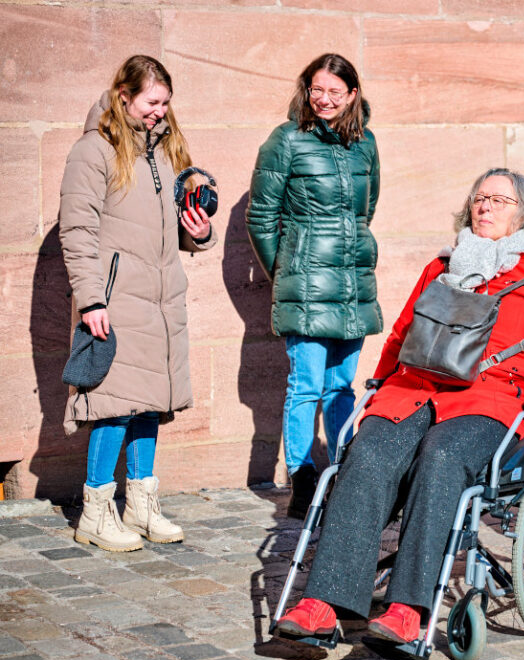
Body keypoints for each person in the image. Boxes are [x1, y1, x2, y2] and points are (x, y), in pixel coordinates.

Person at [272, 169, 524, 644]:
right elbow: (402, 334)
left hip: (493, 403)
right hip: (412, 393)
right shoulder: (442, 268)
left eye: (498, 200)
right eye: (479, 198)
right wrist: (379, 386)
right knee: (367, 454)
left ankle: (408, 609)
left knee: (443, 456)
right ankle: (323, 603)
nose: (485, 206)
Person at [59, 55, 216, 552]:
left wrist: (200, 232)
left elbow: (176, 224)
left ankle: (142, 505)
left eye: (166, 101)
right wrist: (90, 300)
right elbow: (77, 231)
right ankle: (96, 513)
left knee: (151, 402)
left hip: (162, 296)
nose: (160, 111)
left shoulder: (168, 151)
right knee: (113, 405)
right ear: (124, 97)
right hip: (115, 298)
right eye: (152, 102)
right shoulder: (93, 152)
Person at [246, 53, 382, 519]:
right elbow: (261, 217)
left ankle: (342, 472)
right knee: (305, 386)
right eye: (316, 90)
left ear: (352, 95)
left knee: (342, 386)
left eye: (334, 92)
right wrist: (286, 270)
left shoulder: (365, 144)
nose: (324, 99)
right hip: (305, 283)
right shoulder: (285, 141)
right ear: (306, 90)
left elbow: (365, 211)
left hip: (352, 284)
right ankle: (303, 480)